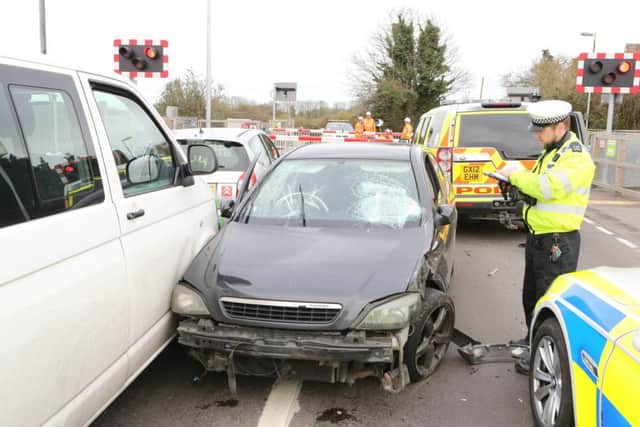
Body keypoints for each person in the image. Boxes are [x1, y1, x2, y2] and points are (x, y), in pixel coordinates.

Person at [495, 100, 595, 375]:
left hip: (557, 241)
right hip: (540, 236)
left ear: (561, 126)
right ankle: (532, 341)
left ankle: (544, 355)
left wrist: (515, 175)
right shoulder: (553, 152)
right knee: (531, 297)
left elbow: (546, 188)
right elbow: (538, 186)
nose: (537, 135)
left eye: (541, 131)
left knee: (549, 302)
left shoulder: (575, 158)